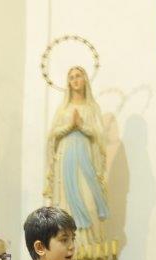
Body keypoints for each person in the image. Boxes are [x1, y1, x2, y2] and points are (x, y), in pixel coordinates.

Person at [44, 67, 110, 244]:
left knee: (89, 199)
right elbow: (52, 135)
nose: (75, 80)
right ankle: (70, 244)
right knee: (67, 202)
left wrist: (82, 126)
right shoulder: (63, 109)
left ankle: (91, 245)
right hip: (66, 158)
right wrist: (69, 126)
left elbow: (99, 135)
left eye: (78, 76)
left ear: (85, 79)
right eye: (71, 77)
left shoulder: (92, 108)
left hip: (86, 158)